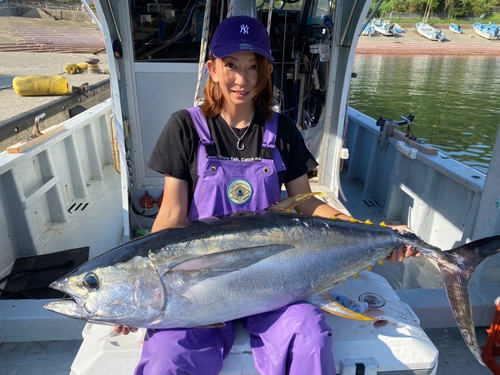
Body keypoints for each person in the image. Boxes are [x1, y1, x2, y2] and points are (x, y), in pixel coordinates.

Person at [116, 15, 418, 375]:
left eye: (252, 67)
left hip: (276, 279)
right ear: (212, 68)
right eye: (231, 65)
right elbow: (171, 216)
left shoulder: (283, 130)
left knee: (310, 336)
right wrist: (137, 299)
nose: (241, 80)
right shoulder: (185, 127)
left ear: (266, 71)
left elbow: (305, 201)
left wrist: (375, 235)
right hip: (199, 286)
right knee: (167, 358)